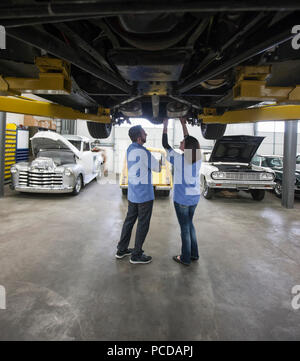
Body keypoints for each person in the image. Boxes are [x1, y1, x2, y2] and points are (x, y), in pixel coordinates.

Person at [116, 125, 161, 264]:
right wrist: (159, 161)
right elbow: (158, 168)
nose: (146, 133)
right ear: (139, 137)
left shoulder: (130, 149)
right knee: (143, 224)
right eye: (144, 132)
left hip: (133, 194)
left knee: (129, 221)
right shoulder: (144, 152)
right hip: (145, 196)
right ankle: (136, 255)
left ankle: (121, 249)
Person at [162, 118, 201, 266]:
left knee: (185, 228)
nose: (180, 143)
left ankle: (185, 258)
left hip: (182, 200)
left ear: (187, 147)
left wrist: (165, 126)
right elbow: (189, 140)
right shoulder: (198, 158)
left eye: (182, 143)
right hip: (194, 198)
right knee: (190, 225)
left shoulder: (178, 158)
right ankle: (194, 254)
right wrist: (183, 124)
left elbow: (165, 145)